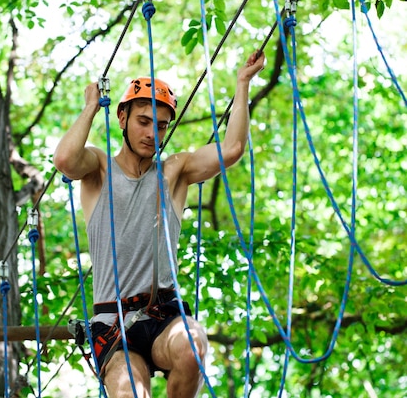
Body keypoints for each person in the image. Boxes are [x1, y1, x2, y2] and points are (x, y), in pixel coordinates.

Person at [53, 50, 265, 398]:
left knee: (193, 345)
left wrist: (242, 83)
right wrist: (91, 106)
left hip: (164, 313)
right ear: (122, 117)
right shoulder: (98, 169)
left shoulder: (174, 172)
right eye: (143, 121)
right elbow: (64, 159)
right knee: (129, 392)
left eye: (162, 125)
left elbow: (232, 148)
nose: (153, 132)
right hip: (114, 323)